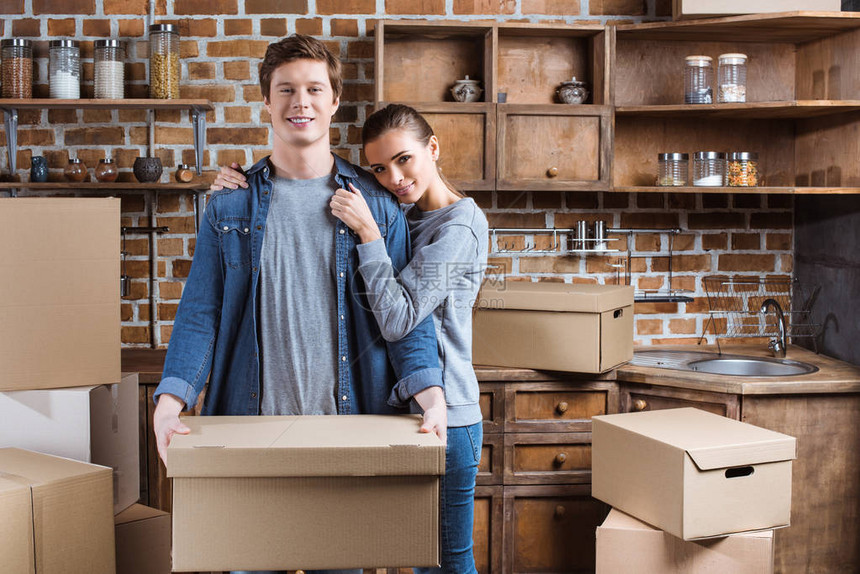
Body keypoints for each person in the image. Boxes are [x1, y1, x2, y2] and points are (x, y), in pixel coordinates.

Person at [154, 36, 447, 574]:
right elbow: (202, 312)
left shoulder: (376, 205)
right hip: (249, 429)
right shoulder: (230, 203)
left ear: (334, 101)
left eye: (314, 89)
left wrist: (430, 395)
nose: (300, 102)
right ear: (266, 101)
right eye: (285, 89)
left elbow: (405, 317)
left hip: (348, 429)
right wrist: (171, 400)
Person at [216, 103, 488, 574]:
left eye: (404, 159)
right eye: (380, 169)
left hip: (450, 414)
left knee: (444, 563)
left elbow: (399, 320)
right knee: (402, 555)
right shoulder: (407, 216)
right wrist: (233, 184)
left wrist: (367, 230)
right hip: (402, 416)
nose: (395, 178)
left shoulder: (459, 227)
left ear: (433, 148)